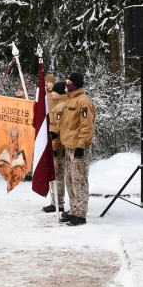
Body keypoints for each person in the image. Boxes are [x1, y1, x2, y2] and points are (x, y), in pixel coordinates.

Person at [57, 72, 96, 225]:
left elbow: (87, 126)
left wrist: (81, 145)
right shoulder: (69, 101)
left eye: (69, 82)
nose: (66, 85)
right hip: (68, 147)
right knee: (70, 180)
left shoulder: (83, 101)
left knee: (79, 180)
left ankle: (80, 213)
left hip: (80, 148)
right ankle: (73, 209)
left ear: (75, 84)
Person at [42, 81, 68, 215]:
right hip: (60, 146)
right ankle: (57, 202)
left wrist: (55, 146)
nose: (51, 94)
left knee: (57, 176)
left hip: (58, 148)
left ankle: (58, 203)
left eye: (54, 91)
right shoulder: (62, 105)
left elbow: (58, 129)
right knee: (59, 177)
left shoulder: (60, 107)